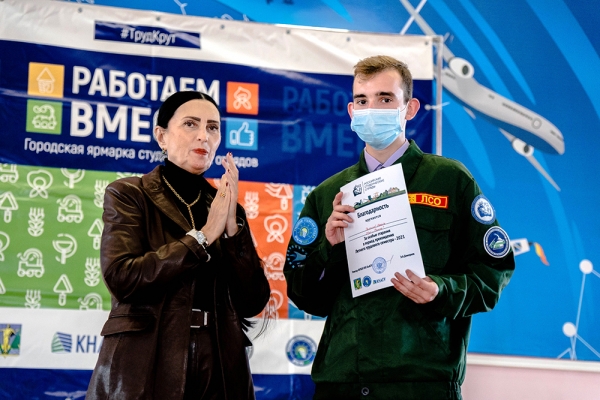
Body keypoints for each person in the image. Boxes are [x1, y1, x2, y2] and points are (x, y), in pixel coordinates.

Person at [284, 55, 515, 400]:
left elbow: (494, 270)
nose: (371, 110)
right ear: (351, 111)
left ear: (410, 108)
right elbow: (304, 294)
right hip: (343, 381)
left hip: (421, 382)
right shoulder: (328, 194)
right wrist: (328, 248)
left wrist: (442, 290)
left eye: (385, 99)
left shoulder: (450, 180)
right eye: (362, 101)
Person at [87, 91, 271, 400]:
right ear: (161, 136)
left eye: (212, 127)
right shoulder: (129, 194)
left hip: (219, 370)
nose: (203, 136)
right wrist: (203, 236)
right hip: (146, 365)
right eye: (190, 124)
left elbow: (252, 302)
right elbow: (123, 278)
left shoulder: (226, 208)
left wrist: (232, 231)